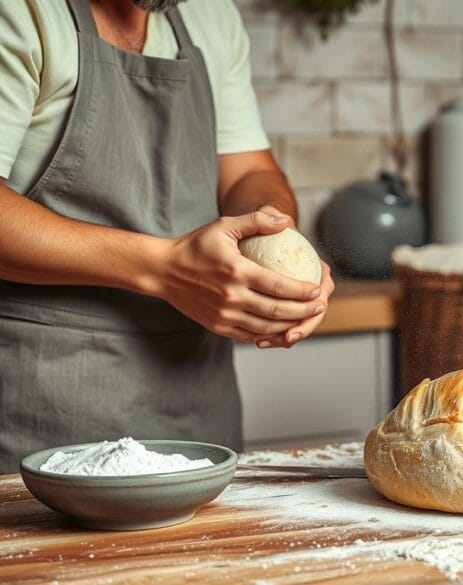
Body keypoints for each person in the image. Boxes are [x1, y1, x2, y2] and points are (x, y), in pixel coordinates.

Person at [0, 0, 335, 472]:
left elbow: (248, 173)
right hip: (41, 416)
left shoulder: (211, 16)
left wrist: (271, 238)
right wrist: (163, 269)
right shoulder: (21, 11)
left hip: (198, 415)